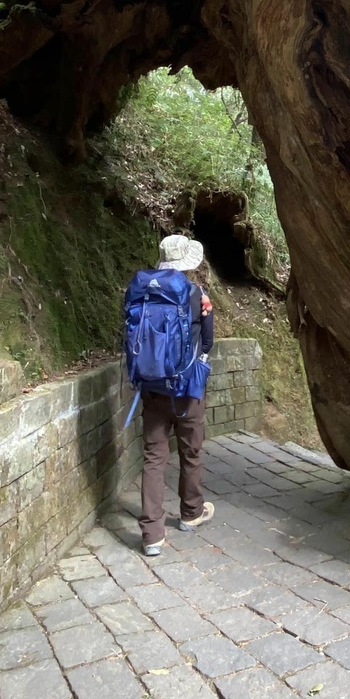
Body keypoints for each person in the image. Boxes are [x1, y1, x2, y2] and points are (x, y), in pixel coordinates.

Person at [139, 234, 215, 557]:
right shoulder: (197, 295)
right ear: (186, 264)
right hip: (187, 390)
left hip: (153, 387)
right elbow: (208, 343)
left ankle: (152, 534)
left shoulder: (144, 293)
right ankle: (190, 513)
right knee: (191, 451)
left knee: (154, 457)